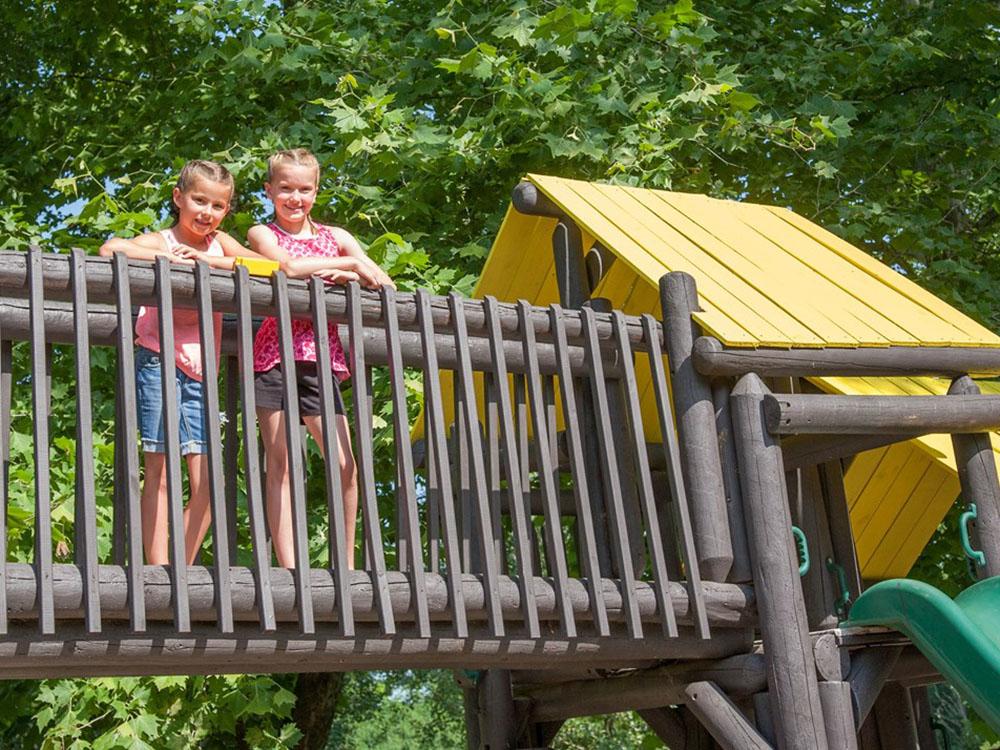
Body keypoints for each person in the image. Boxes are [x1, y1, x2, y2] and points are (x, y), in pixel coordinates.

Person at [99, 159, 262, 565]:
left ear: (227, 210)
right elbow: (111, 248)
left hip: (201, 371)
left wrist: (210, 262)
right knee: (161, 470)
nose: (207, 212)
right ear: (179, 198)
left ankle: (179, 568)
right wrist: (172, 260)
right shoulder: (162, 241)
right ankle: (157, 572)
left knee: (209, 482)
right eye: (199, 200)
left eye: (218, 205)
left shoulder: (221, 245)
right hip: (159, 360)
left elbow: (268, 267)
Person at [249, 148, 393, 569]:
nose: (296, 198)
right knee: (281, 463)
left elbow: (383, 281)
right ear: (270, 190)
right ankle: (291, 567)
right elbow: (287, 266)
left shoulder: (338, 236)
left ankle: (345, 565)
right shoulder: (263, 233)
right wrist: (345, 264)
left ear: (316, 190)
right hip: (275, 355)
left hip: (320, 357)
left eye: (305, 189)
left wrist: (351, 272)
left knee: (345, 464)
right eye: (286, 188)